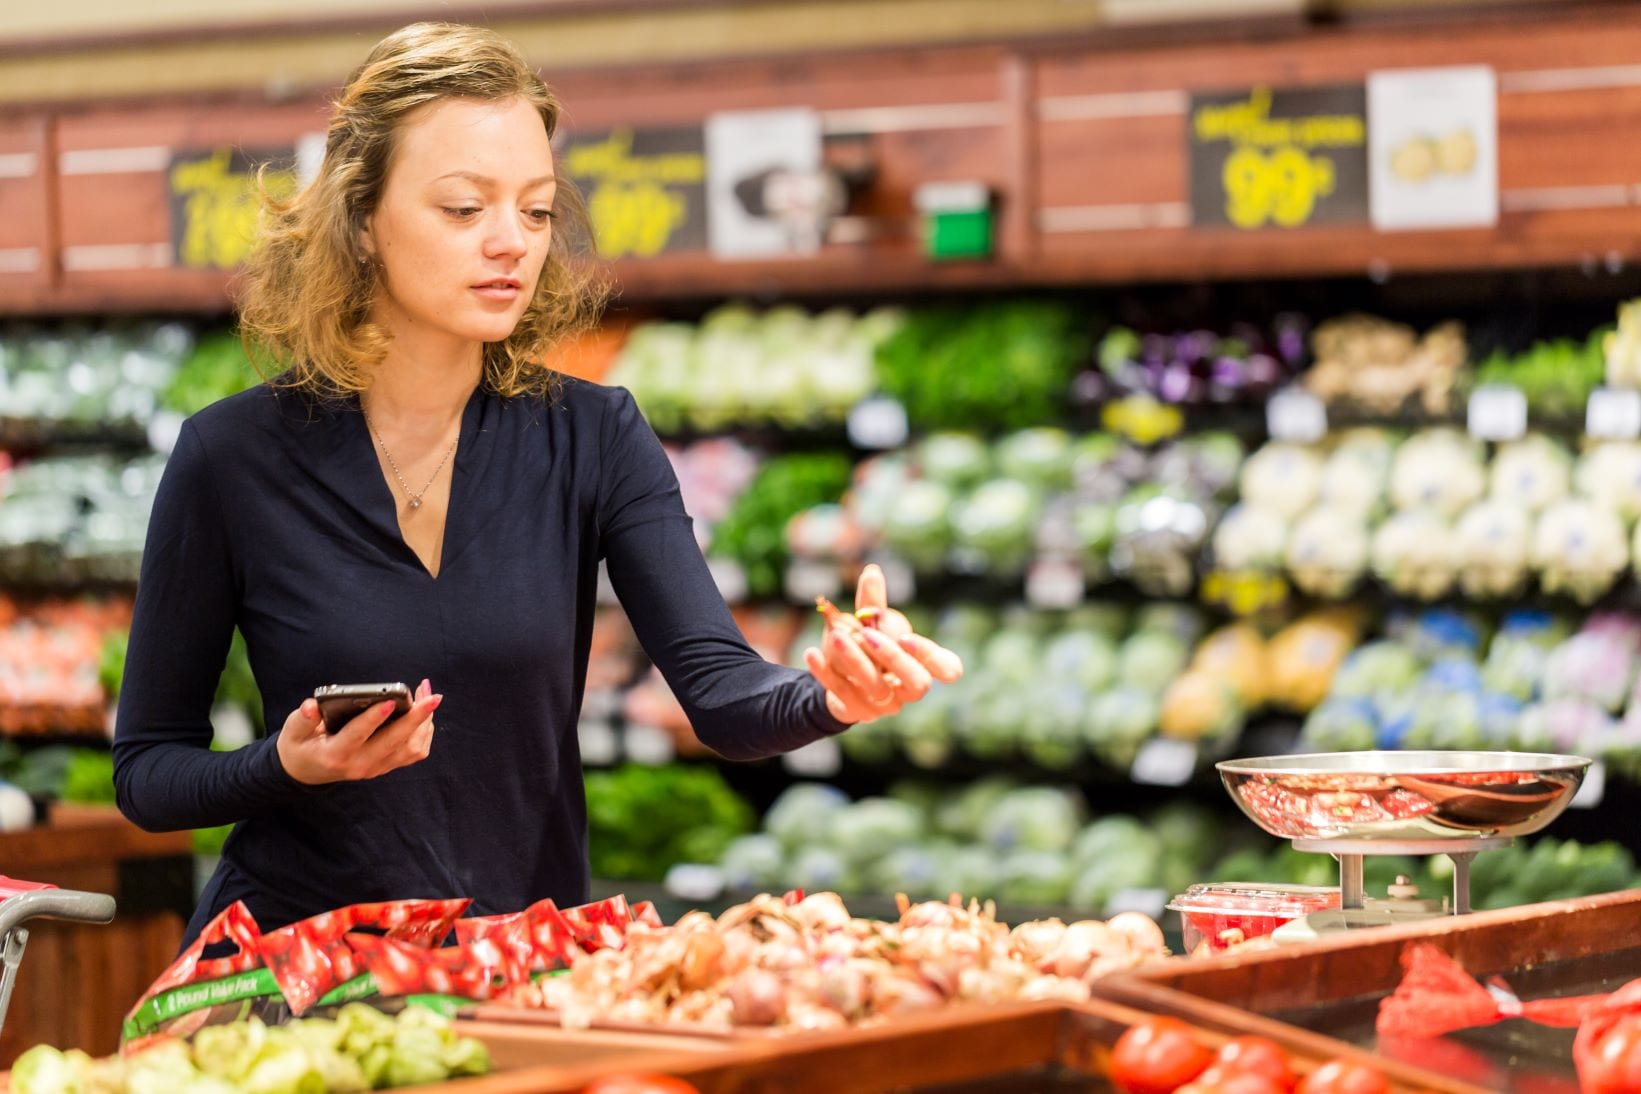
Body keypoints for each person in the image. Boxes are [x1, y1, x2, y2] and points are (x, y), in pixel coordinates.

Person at [112, 22, 963, 947]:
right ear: (362, 222)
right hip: (302, 974)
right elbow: (149, 773)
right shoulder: (230, 457)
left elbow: (718, 693)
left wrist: (832, 695)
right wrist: (283, 766)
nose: (509, 243)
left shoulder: (595, 436)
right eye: (463, 209)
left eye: (535, 209)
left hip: (522, 965)